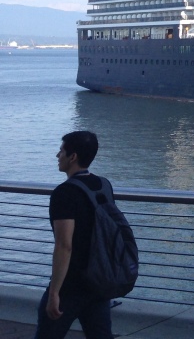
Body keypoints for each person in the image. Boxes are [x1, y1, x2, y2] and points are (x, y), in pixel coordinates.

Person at [36, 131, 114, 339]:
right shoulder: (104, 186)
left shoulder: (64, 193)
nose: (57, 155)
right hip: (99, 280)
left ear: (73, 157)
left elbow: (64, 246)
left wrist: (54, 292)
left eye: (61, 150)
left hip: (71, 285)